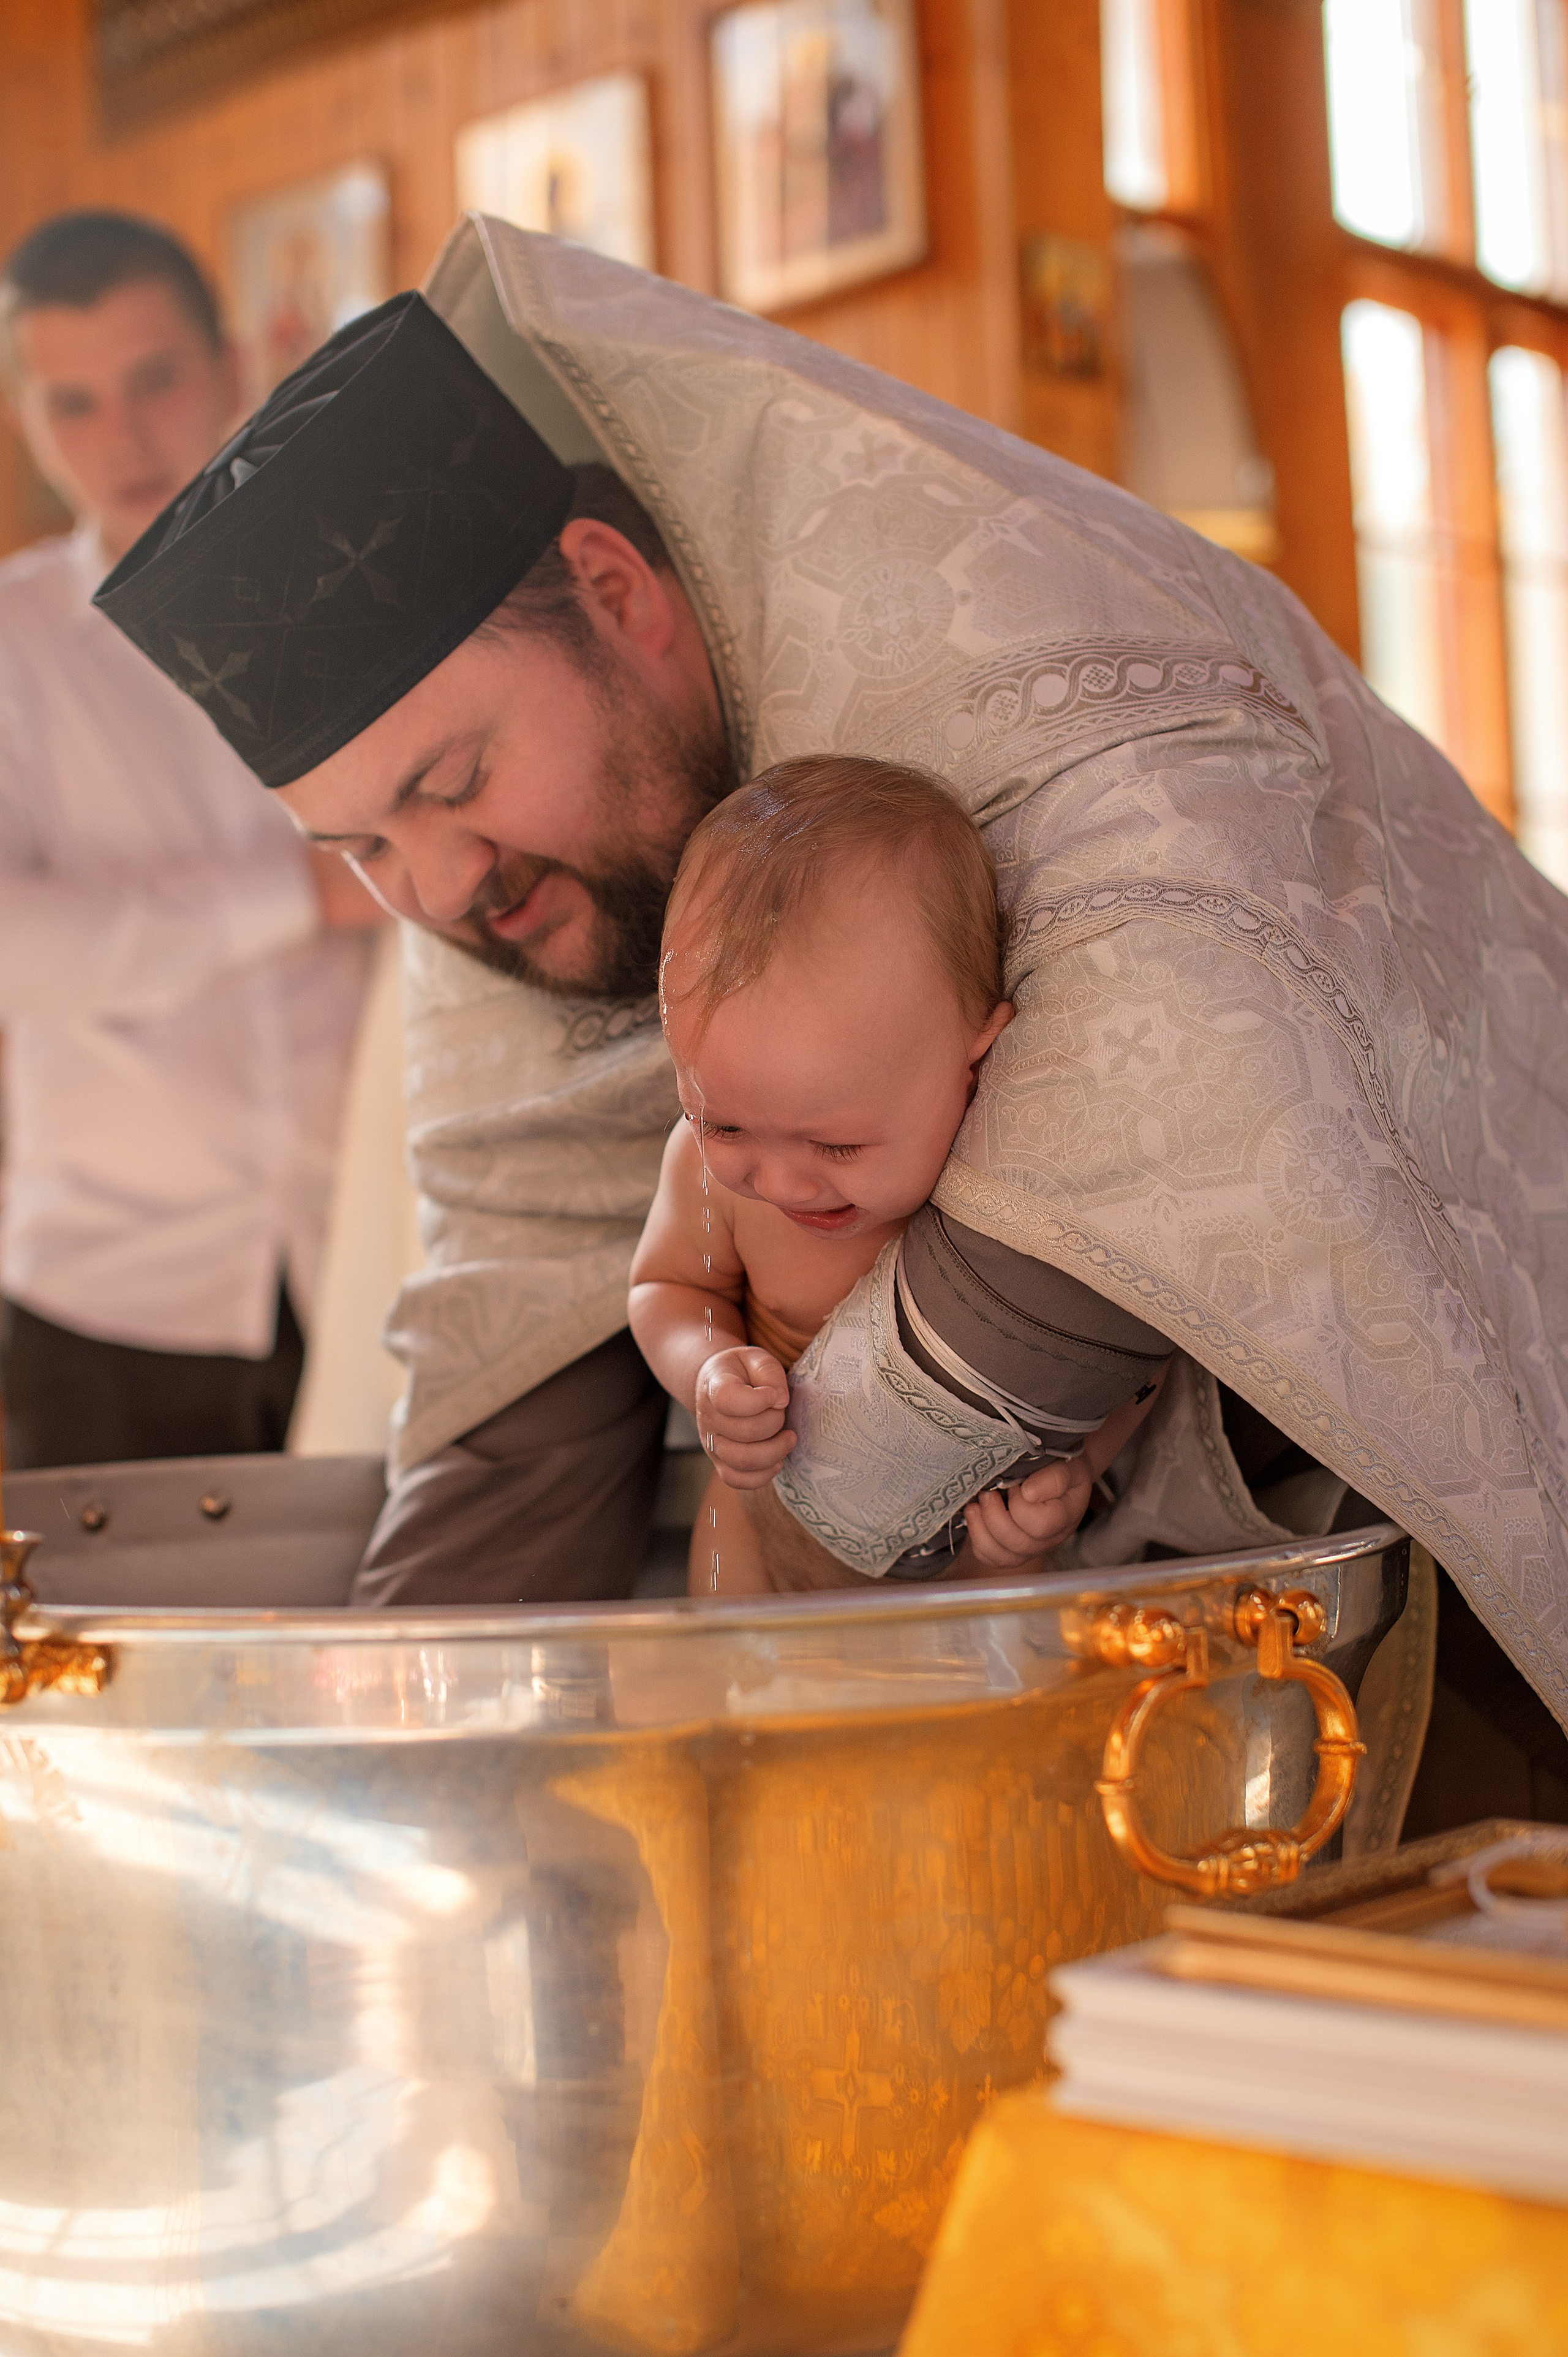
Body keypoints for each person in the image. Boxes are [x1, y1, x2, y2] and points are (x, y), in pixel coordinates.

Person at [92, 223, 1568, 1830]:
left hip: (1417, 1523)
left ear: (611, 590)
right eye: (362, 851)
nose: (436, 886)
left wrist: (775, 1590)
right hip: (1091, 1668)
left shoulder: (995, 637)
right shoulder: (509, 877)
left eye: (449, 786)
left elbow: (1166, 1121)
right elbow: (512, 1360)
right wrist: (390, 1795)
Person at [0, 210, 377, 1469]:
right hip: (108, 1306)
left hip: (367, 1262)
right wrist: (292, 899)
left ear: (225, 364)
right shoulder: (11, 646)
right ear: (29, 418)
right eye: (74, 403)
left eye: (153, 379)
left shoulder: (356, 582)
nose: (124, 437)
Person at [630, 755, 1170, 1591]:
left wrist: (1070, 1484)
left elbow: (1129, 1355)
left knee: (1008, 1631)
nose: (780, 1181)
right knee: (728, 1695)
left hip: (964, 1550)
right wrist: (706, 1369)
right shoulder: (701, 1172)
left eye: (838, 1147)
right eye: (723, 1121)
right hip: (760, 1533)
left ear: (972, 1063)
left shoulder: (1004, 1185)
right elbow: (664, 1289)